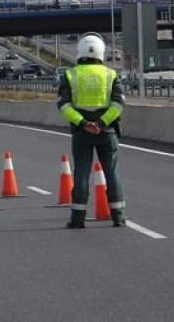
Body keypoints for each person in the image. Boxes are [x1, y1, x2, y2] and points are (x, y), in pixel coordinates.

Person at [56, 32, 126, 228]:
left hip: (81, 134)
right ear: (101, 52)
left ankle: (77, 219)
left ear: (79, 51)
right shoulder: (111, 74)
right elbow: (119, 105)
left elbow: (63, 105)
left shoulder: (70, 75)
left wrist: (83, 123)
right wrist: (102, 123)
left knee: (81, 174)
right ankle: (118, 217)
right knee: (111, 173)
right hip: (107, 132)